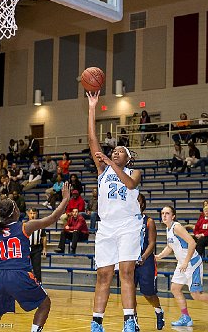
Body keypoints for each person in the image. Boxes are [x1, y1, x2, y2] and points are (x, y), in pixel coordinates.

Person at [0, 182, 70, 332]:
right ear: (14, 212)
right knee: (45, 304)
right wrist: (65, 199)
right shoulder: (24, 227)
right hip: (19, 274)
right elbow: (53, 217)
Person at [87, 91, 143, 332]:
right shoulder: (103, 171)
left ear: (128, 158)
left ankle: (129, 320)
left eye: (120, 151)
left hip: (129, 225)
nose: (115, 153)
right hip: (106, 226)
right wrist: (92, 107)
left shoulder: (134, 172)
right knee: (104, 275)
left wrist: (111, 164)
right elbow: (92, 141)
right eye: (113, 151)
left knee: (127, 272)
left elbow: (130, 186)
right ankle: (97, 321)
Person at [156, 205, 208, 327]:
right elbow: (170, 247)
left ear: (173, 216)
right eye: (163, 213)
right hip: (182, 263)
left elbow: (192, 242)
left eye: (167, 213)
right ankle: (186, 317)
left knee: (196, 295)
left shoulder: (177, 227)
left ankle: (186, 317)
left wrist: (186, 261)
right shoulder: (168, 229)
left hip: (191, 263)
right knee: (175, 288)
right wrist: (159, 256)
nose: (164, 215)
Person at [134, 194, 164, 330]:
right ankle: (132, 322)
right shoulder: (126, 221)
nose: (136, 203)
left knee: (148, 293)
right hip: (129, 262)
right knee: (129, 293)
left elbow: (152, 243)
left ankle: (159, 311)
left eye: (138, 201)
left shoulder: (149, 221)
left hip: (146, 261)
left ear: (143, 204)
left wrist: (143, 257)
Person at [27, 207, 47, 283]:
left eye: (34, 213)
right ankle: (26, 285)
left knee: (37, 269)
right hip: (26, 249)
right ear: (28, 214)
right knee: (26, 268)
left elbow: (44, 237)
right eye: (31, 213)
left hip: (37, 248)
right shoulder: (24, 224)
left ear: (37, 214)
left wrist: (44, 248)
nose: (32, 215)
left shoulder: (40, 224)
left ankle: (39, 285)